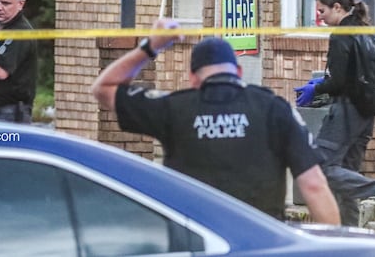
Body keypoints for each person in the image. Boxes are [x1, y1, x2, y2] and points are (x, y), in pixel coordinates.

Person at [91, 17, 341, 225]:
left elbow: (103, 89)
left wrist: (150, 47)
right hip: (264, 242)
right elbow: (314, 186)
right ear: (239, 72)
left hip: (199, 241)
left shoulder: (173, 108)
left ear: (192, 78)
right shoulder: (274, 109)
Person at [294, 0, 375, 226]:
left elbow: (339, 80)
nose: (319, 16)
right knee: (348, 174)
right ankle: (350, 235)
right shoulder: (363, 28)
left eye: (322, 11)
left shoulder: (342, 34)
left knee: (321, 166)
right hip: (365, 113)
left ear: (337, 7)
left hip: (347, 111)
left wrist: (316, 88)